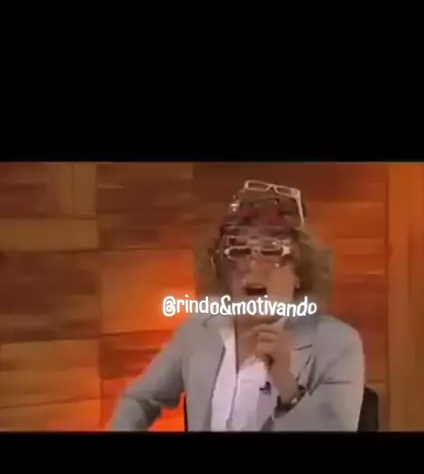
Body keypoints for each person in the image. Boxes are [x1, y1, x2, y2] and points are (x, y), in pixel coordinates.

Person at [109, 181, 365, 431]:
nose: (251, 266)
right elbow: (139, 400)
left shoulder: (337, 345)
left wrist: (287, 387)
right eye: (239, 251)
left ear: (299, 270)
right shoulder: (200, 328)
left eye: (270, 251)